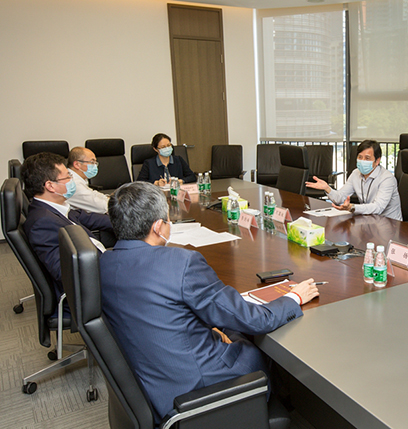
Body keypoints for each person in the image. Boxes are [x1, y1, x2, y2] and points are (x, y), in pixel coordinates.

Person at [99, 181, 319, 422]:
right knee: (250, 341)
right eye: (168, 221)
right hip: (198, 390)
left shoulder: (103, 264)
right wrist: (294, 297)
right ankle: (292, 408)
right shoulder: (180, 263)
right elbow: (254, 320)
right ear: (158, 227)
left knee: (228, 329)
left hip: (154, 385)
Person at [21, 152, 113, 300]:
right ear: (50, 186)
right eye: (68, 177)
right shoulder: (42, 222)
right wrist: (114, 265)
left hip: (101, 264)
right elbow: (67, 274)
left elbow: (89, 218)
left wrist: (131, 221)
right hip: (95, 288)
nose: (72, 180)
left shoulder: (57, 207)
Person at [305, 140, 402, 220]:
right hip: (370, 220)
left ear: (377, 161)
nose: (362, 161)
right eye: (360, 157)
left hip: (390, 224)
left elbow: (378, 208)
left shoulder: (387, 179)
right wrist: (327, 188)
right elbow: (339, 198)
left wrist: (352, 207)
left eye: (367, 158)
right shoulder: (356, 173)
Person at [66, 147, 109, 213]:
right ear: (77, 164)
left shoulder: (77, 178)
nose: (95, 166)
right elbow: (102, 207)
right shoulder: (73, 183)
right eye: (92, 162)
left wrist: (108, 198)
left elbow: (92, 194)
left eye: (95, 163)